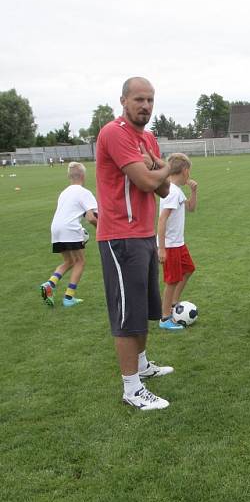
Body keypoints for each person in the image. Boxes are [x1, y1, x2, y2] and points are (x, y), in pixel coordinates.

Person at [95, 76, 174, 411]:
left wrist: (158, 168)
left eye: (150, 100)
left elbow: (164, 190)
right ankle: (131, 387)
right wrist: (167, 165)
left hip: (142, 234)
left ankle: (141, 365)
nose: (145, 106)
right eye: (139, 99)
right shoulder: (115, 132)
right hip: (120, 235)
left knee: (143, 308)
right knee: (127, 314)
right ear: (124, 101)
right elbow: (145, 181)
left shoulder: (149, 138)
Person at [40, 162, 98, 307]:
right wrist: (100, 229)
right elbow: (91, 217)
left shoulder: (64, 192)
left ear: (69, 176)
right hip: (70, 228)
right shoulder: (84, 192)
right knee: (80, 261)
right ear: (83, 176)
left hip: (56, 229)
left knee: (69, 261)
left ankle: (49, 284)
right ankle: (68, 298)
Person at [157, 153, 198, 331]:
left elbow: (191, 208)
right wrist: (162, 248)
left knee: (189, 269)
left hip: (178, 243)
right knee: (172, 280)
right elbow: (162, 220)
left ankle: (173, 303)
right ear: (185, 171)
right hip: (171, 245)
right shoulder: (171, 192)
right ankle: (165, 317)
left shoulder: (176, 190)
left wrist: (194, 191)